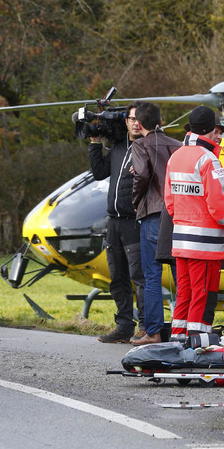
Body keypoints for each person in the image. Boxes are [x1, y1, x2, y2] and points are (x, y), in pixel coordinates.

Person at [163, 106, 224, 344]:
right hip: (206, 245)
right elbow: (219, 205)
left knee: (184, 294)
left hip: (181, 240)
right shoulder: (209, 160)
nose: (219, 135)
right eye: (217, 130)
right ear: (211, 131)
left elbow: (169, 202)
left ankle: (177, 340)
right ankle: (197, 343)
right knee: (202, 296)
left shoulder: (176, 156)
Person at [88, 103, 146, 343]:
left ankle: (145, 326)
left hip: (135, 222)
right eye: (131, 118)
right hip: (114, 222)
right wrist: (94, 143)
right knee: (117, 278)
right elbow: (100, 172)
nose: (135, 123)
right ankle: (123, 327)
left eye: (138, 119)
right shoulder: (120, 147)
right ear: (125, 121)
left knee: (139, 278)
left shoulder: (147, 149)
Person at [130, 102, 186, 345]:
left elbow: (142, 175)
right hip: (178, 214)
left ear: (139, 125)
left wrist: (136, 200)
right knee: (180, 273)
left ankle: (153, 332)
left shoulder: (140, 144)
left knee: (152, 275)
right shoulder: (178, 146)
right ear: (161, 123)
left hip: (153, 214)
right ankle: (183, 330)